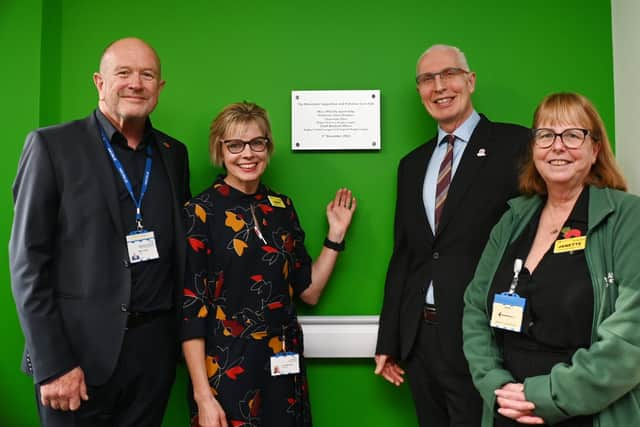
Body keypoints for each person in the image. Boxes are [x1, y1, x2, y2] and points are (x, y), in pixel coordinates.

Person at [9, 37, 191, 426]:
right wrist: (53, 364)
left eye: (147, 75)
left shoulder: (174, 154)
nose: (136, 83)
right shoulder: (51, 146)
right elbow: (27, 264)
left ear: (160, 87)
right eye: (123, 73)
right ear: (99, 82)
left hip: (153, 360)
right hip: (75, 362)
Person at [374, 44, 529, 426]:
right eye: (427, 79)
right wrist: (389, 341)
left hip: (485, 337)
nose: (439, 86)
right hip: (420, 339)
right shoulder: (411, 166)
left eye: (449, 74)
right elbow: (405, 256)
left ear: (470, 80)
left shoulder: (516, 146)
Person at [463, 92, 640, 426]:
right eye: (545, 135)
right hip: (508, 407)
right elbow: (475, 307)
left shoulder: (628, 218)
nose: (558, 146)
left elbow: (631, 339)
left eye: (573, 135)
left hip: (587, 410)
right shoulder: (513, 219)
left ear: (595, 149)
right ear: (533, 148)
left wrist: (544, 395)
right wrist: (496, 385)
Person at [180, 101, 356, 427]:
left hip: (283, 370)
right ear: (220, 150)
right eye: (235, 144)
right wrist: (202, 396)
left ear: (267, 147)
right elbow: (191, 311)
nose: (247, 154)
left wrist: (335, 235)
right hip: (226, 374)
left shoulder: (281, 208)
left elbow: (309, 292)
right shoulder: (200, 211)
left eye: (256, 143)